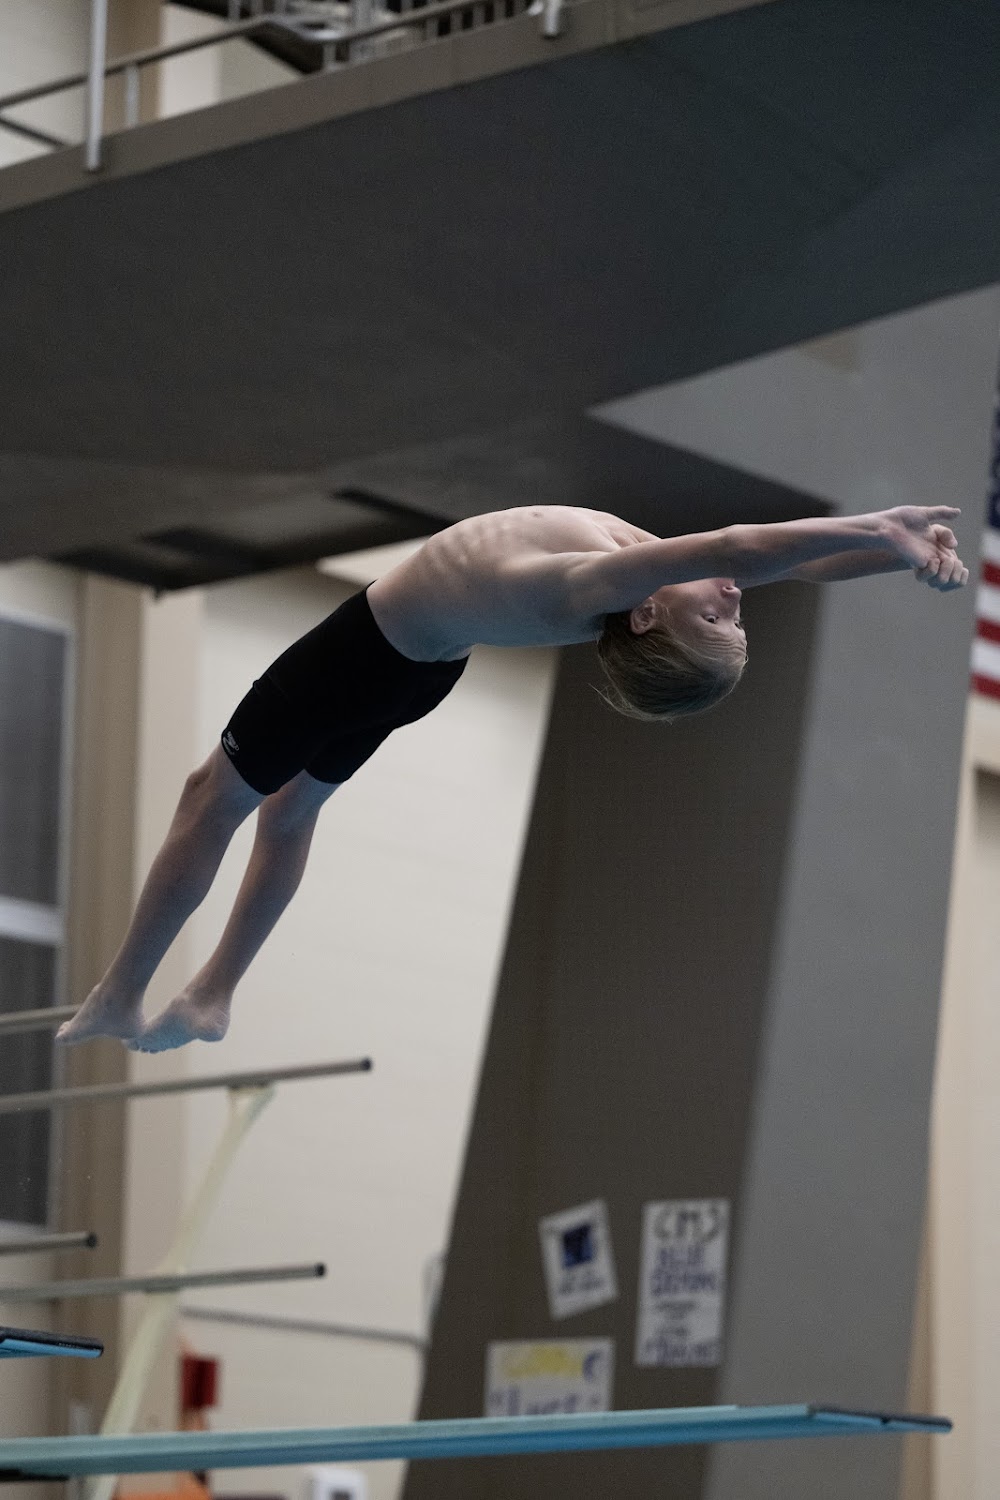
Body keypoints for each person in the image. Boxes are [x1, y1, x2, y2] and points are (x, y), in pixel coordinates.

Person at [56, 502, 968, 1053]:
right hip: (419, 669)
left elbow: (743, 545)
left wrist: (878, 524)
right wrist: (895, 552)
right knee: (291, 814)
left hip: (364, 655)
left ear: (647, 619)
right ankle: (212, 992)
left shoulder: (597, 585)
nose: (733, 597)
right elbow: (796, 565)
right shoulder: (641, 582)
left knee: (209, 798)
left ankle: (122, 993)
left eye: (719, 618)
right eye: (734, 616)